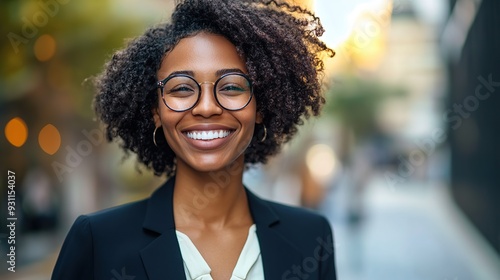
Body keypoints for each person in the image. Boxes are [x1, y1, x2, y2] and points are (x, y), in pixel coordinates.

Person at [52, 0, 336, 279]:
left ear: (260, 107)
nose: (206, 107)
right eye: (182, 88)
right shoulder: (99, 242)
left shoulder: (310, 238)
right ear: (156, 112)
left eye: (232, 86)